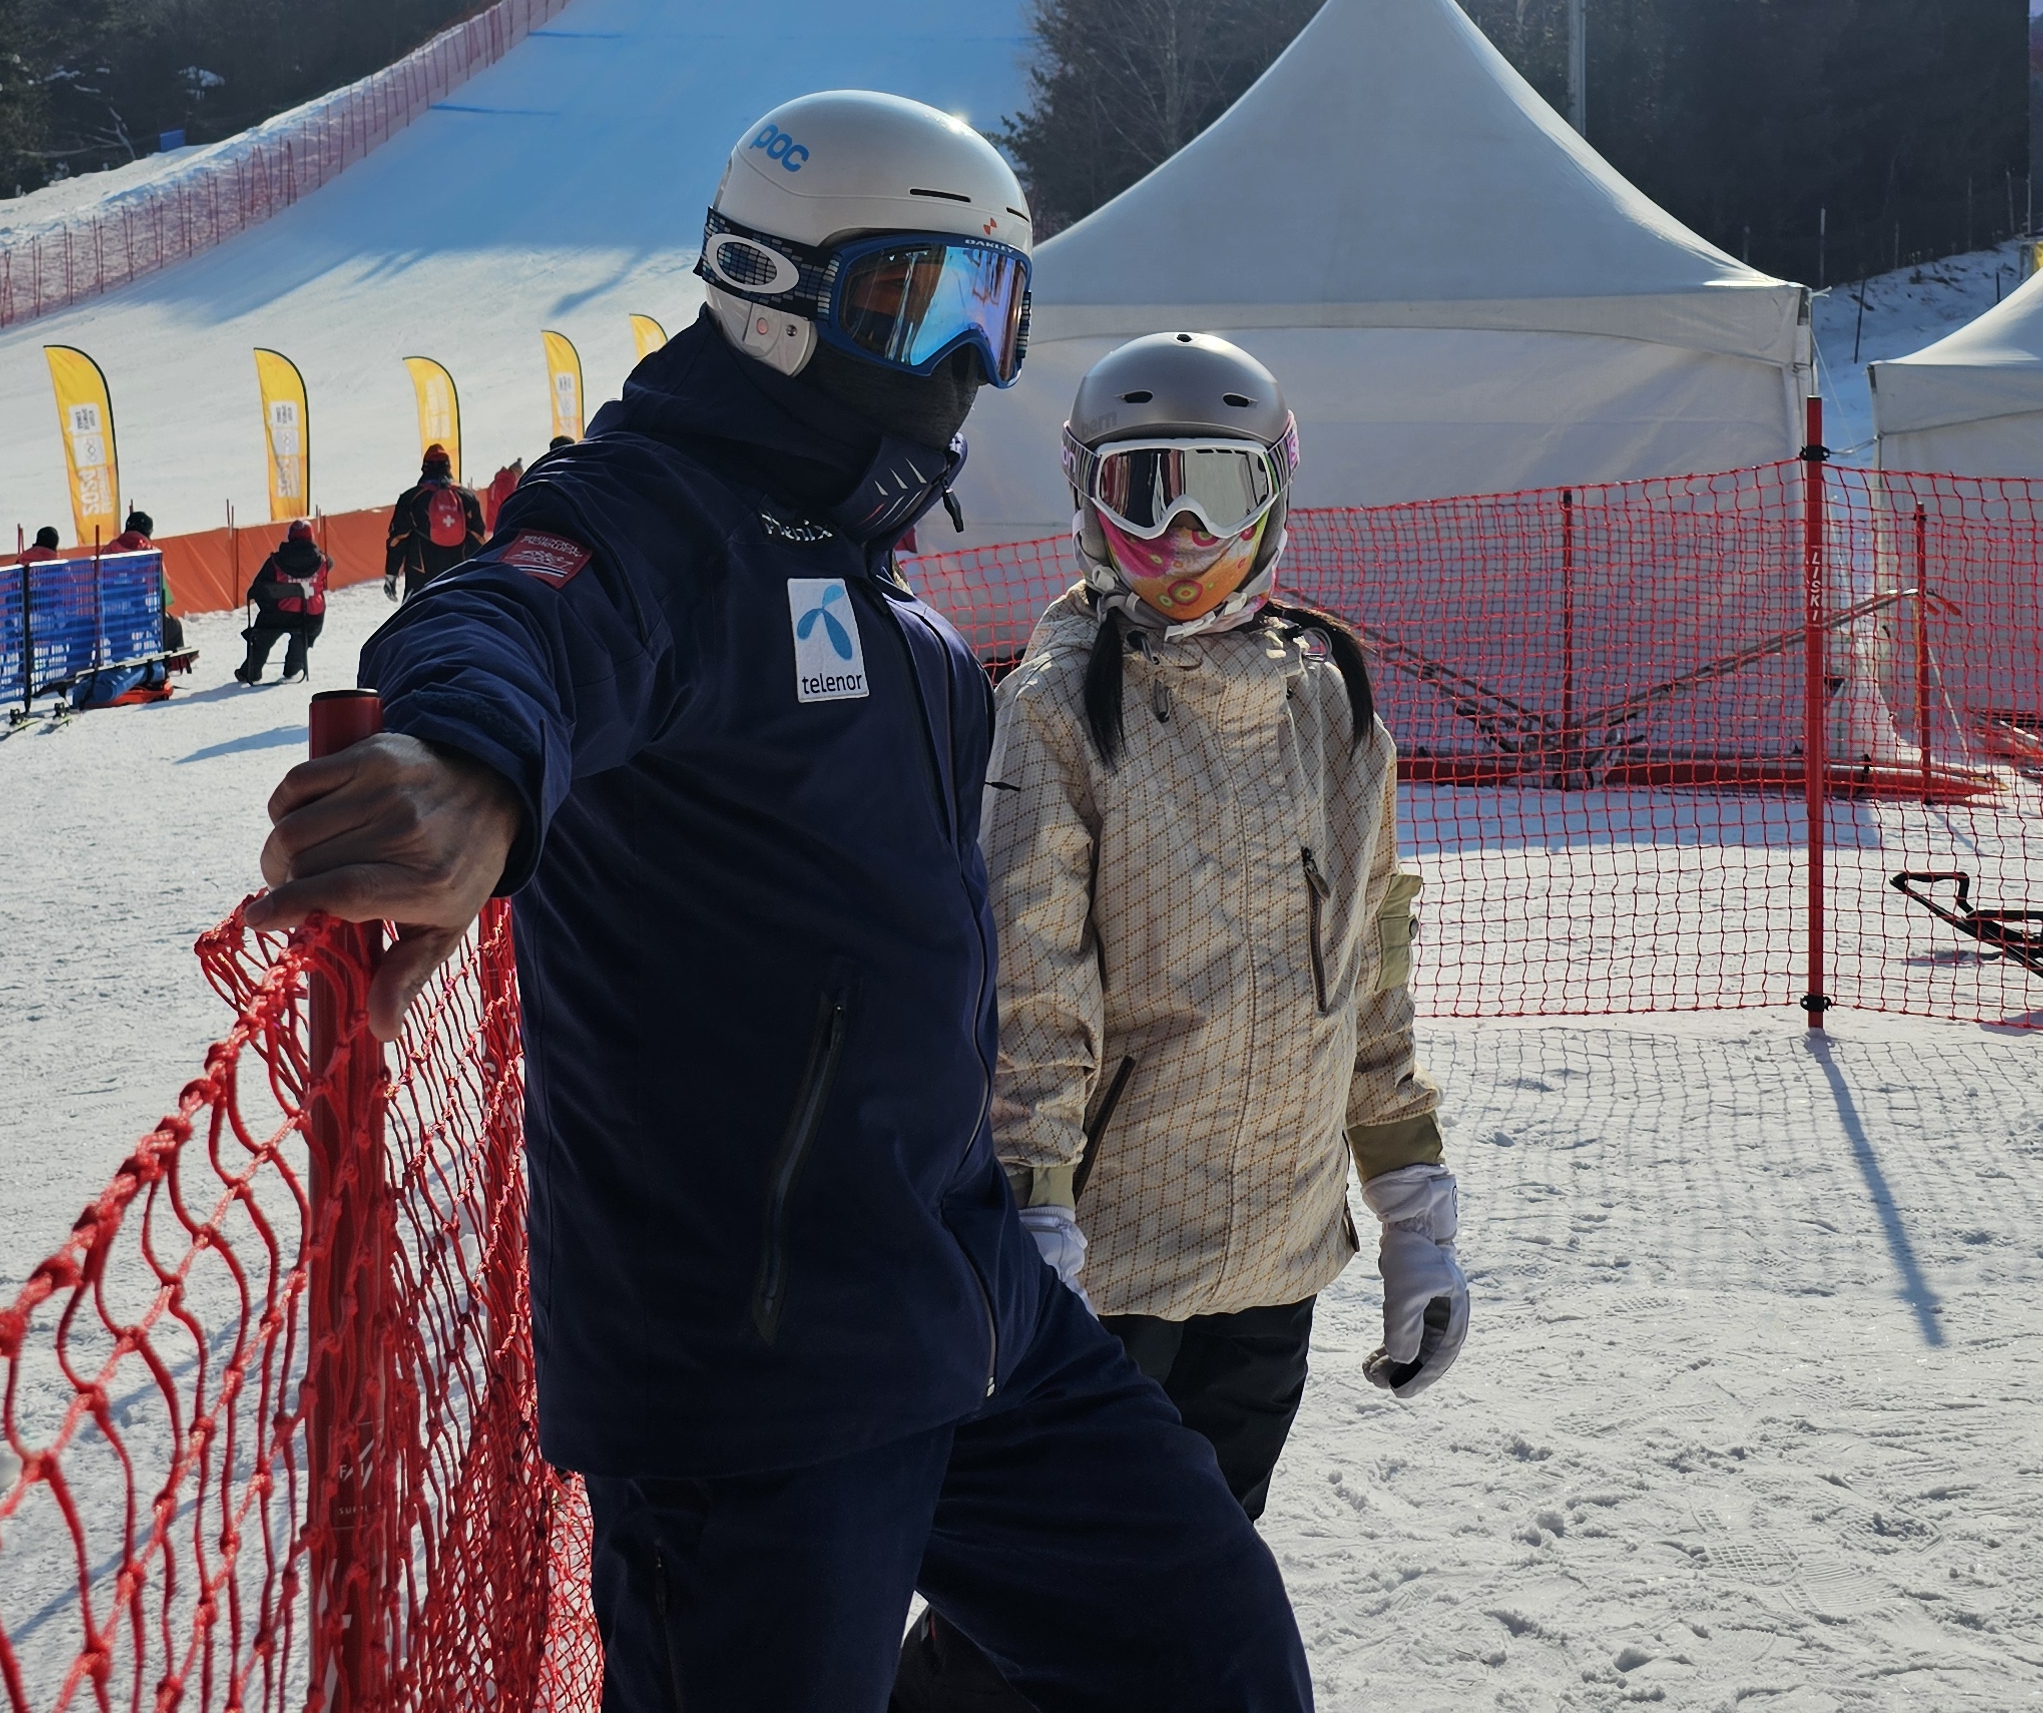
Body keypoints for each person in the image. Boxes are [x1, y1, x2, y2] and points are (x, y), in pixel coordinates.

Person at [249, 93, 1310, 1713]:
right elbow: (515, 620)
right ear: (767, 288)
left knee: (1212, 1651)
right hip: (756, 1387)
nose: (961, 357)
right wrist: (472, 766)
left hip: (964, 1307)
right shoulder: (664, 512)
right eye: (912, 300)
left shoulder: (886, 595)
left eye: (994, 308)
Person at [890, 333, 1461, 1710]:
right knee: (1039, 1605)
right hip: (1114, 1266)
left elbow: (1367, 971)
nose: (1183, 532)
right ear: (1086, 493)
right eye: (1145, 488)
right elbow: (1031, 987)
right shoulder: (1058, 709)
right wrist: (1035, 1211)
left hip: (1273, 1251)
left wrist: (1412, 1204)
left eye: (1216, 485)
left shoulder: (1330, 700)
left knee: (1195, 1588)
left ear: (1276, 491)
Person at [385, 443, 483, 599]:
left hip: (421, 577)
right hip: (459, 575)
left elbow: (398, 539)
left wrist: (391, 573)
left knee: (420, 613)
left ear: (424, 468)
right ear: (448, 467)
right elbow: (478, 538)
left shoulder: (410, 498)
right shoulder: (467, 497)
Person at [238, 520, 330, 686]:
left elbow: (257, 589)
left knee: (265, 629)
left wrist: (269, 606)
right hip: (309, 617)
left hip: (278, 615)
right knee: (304, 630)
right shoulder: (324, 561)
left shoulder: (275, 562)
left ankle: (251, 671)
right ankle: (293, 667)